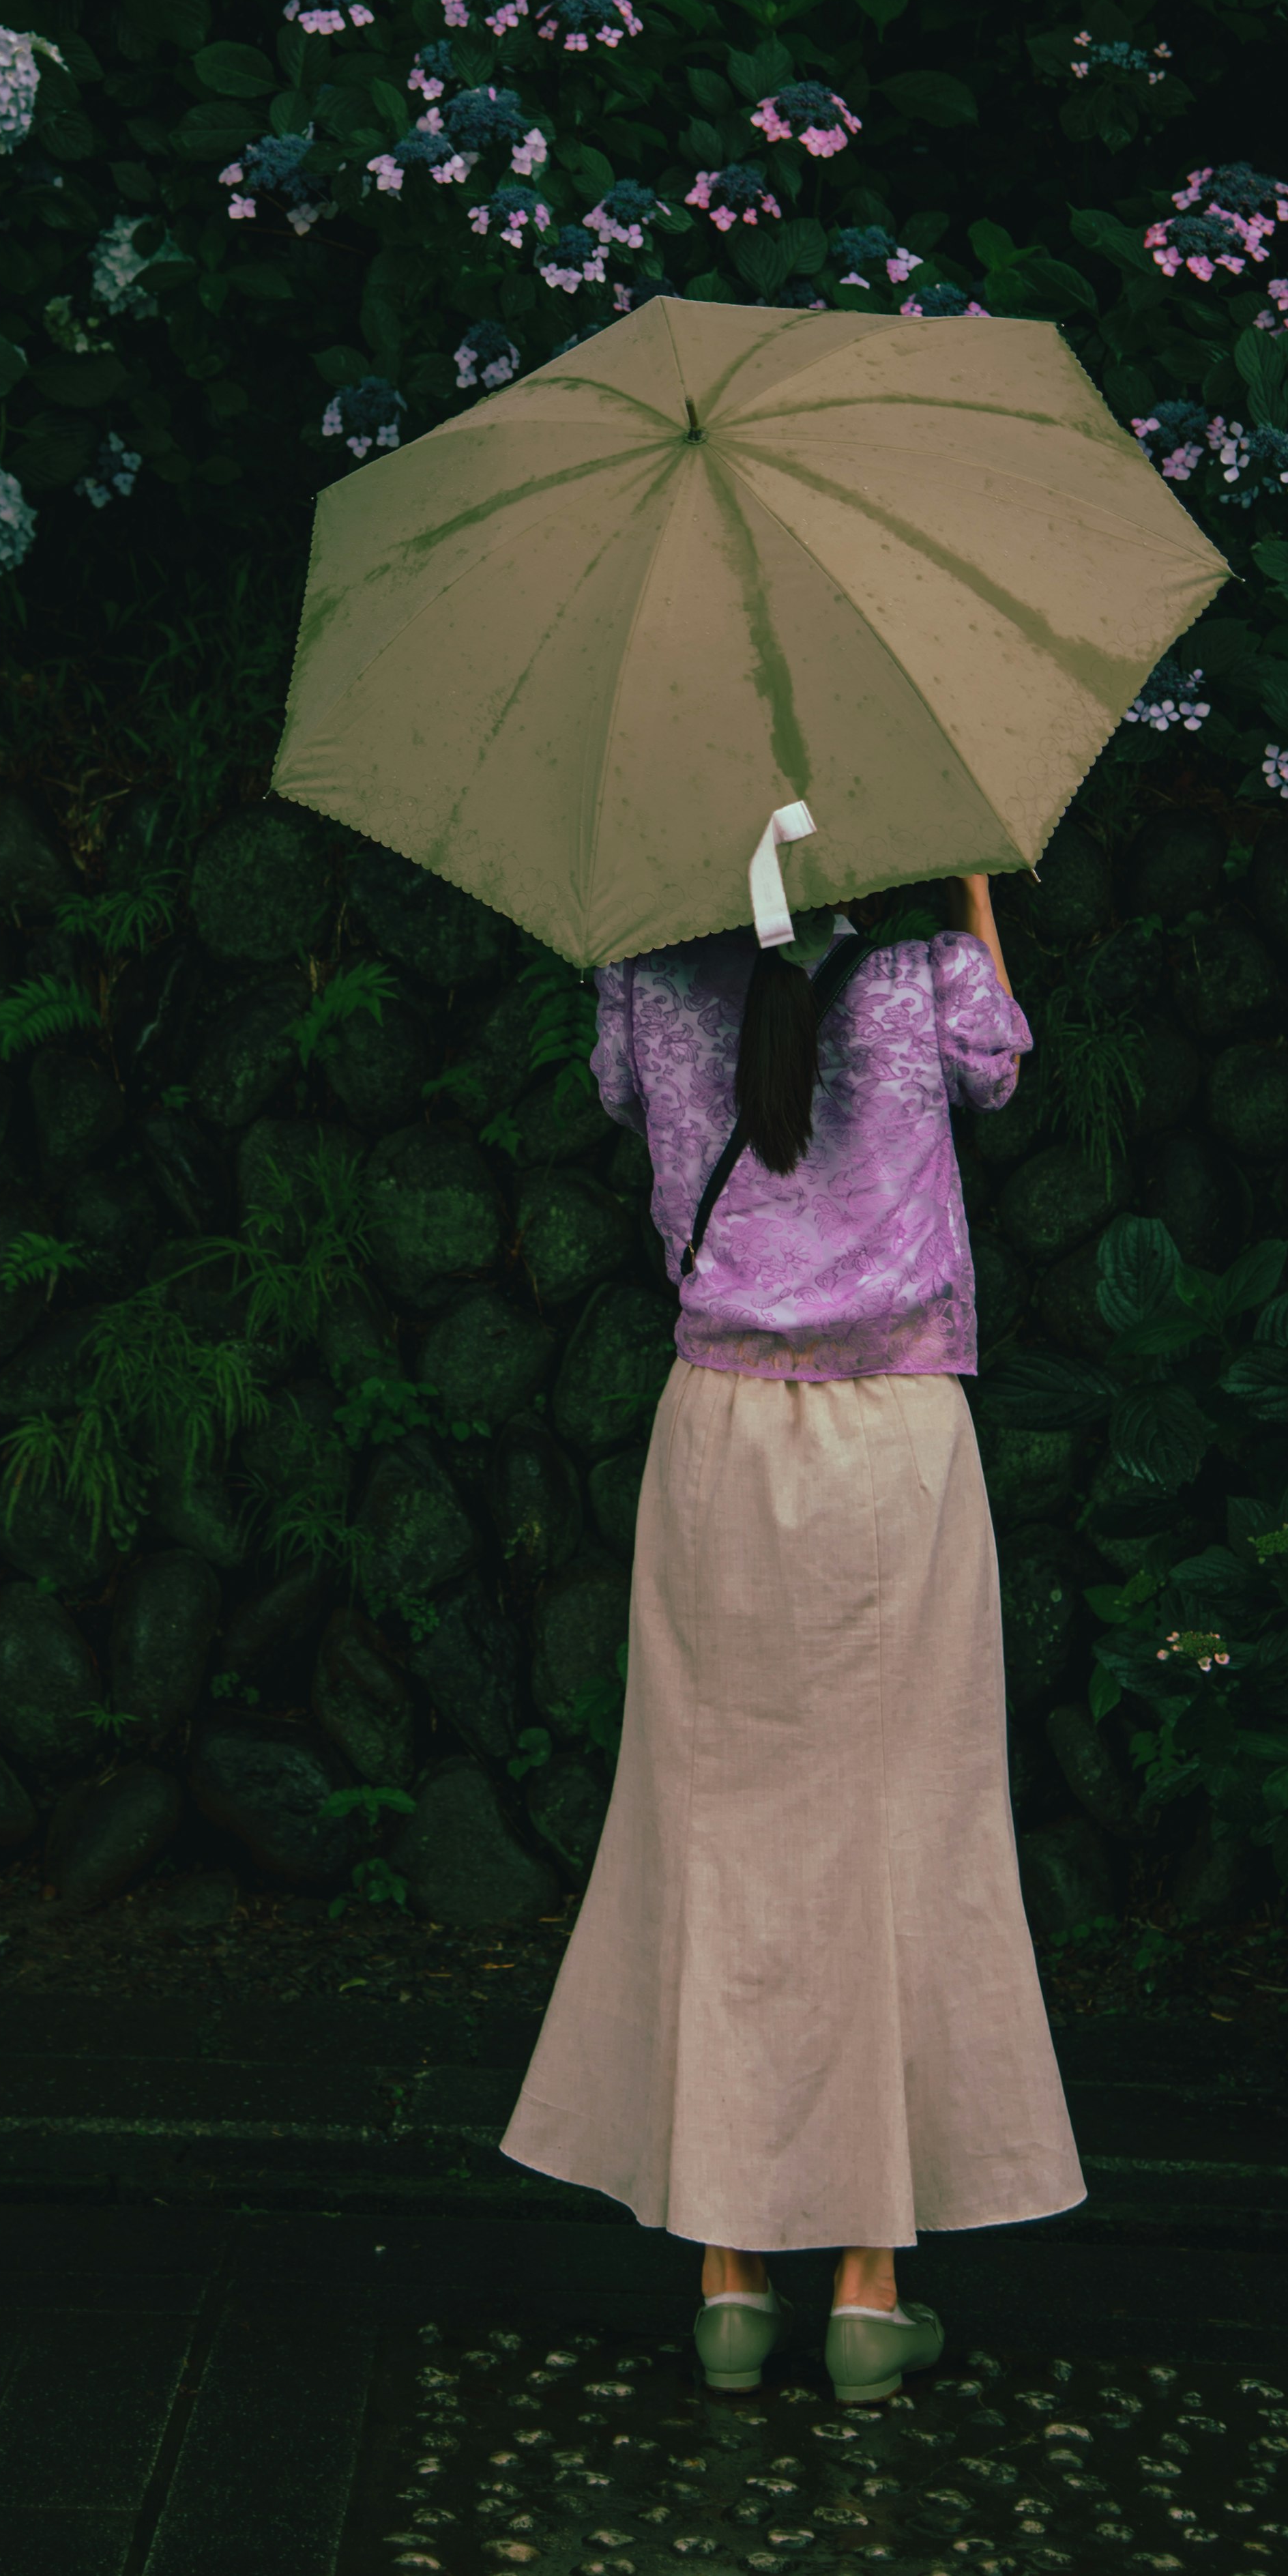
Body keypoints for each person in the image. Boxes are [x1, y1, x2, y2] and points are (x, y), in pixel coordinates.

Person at [497, 871, 1083, 2407]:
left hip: (722, 1441)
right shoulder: (923, 971)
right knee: (901, 1833)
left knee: (718, 1829)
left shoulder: (644, 963)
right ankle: (873, 2288)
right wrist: (964, 891)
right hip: (898, 1438)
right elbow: (1004, 1064)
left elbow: (625, 1096)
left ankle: (729, 2274)